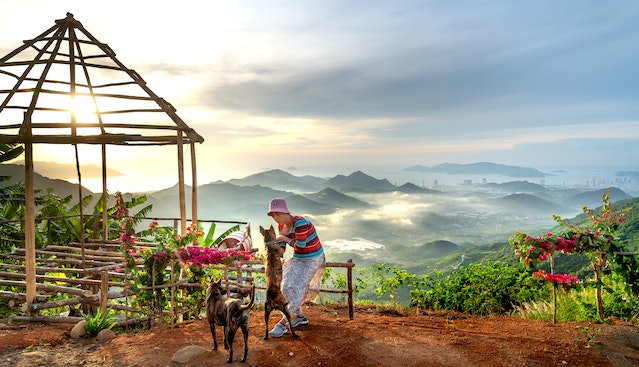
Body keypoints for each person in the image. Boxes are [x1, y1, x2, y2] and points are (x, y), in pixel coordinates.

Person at [266, 198, 325, 338]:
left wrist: (284, 239)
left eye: (277, 214)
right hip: (299, 257)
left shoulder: (301, 223)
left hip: (313, 257)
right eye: (273, 215)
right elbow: (282, 250)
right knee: (285, 286)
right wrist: (273, 246)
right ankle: (300, 316)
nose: (275, 218)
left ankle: (283, 323)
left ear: (286, 212)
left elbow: (301, 245)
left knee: (299, 287)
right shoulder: (281, 226)